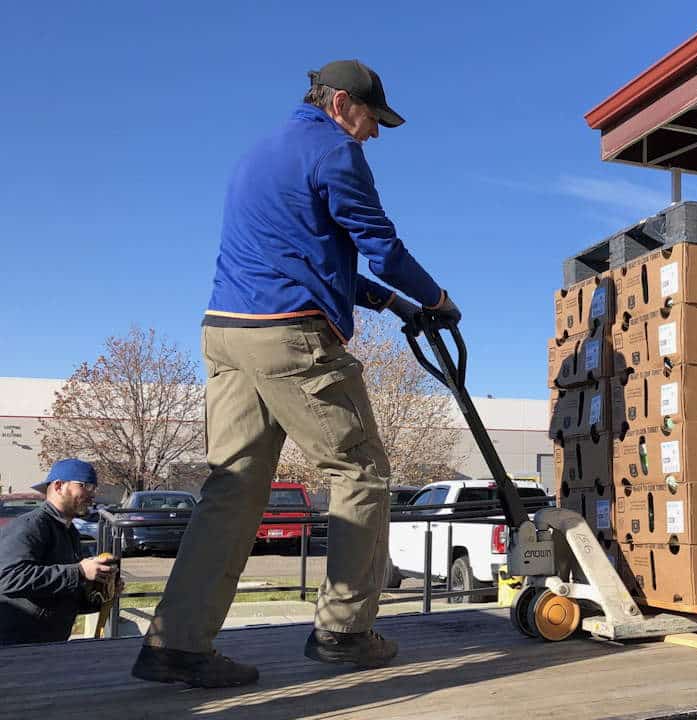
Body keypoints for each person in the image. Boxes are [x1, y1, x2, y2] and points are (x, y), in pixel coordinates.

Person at [132, 59, 460, 688]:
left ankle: (177, 645)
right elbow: (380, 245)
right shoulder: (334, 150)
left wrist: (388, 302)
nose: (374, 134)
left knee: (232, 489)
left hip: (226, 334)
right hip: (291, 336)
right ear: (340, 104)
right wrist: (437, 299)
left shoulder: (261, 153)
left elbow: (307, 254)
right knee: (359, 472)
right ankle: (345, 631)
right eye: (371, 118)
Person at [0, 459, 121, 645]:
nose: (92, 495)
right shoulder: (31, 526)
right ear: (58, 486)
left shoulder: (70, 531)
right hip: (17, 647)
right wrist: (79, 571)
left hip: (49, 644)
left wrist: (100, 595)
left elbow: (60, 595)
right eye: (86, 486)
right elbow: (7, 578)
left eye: (94, 488)